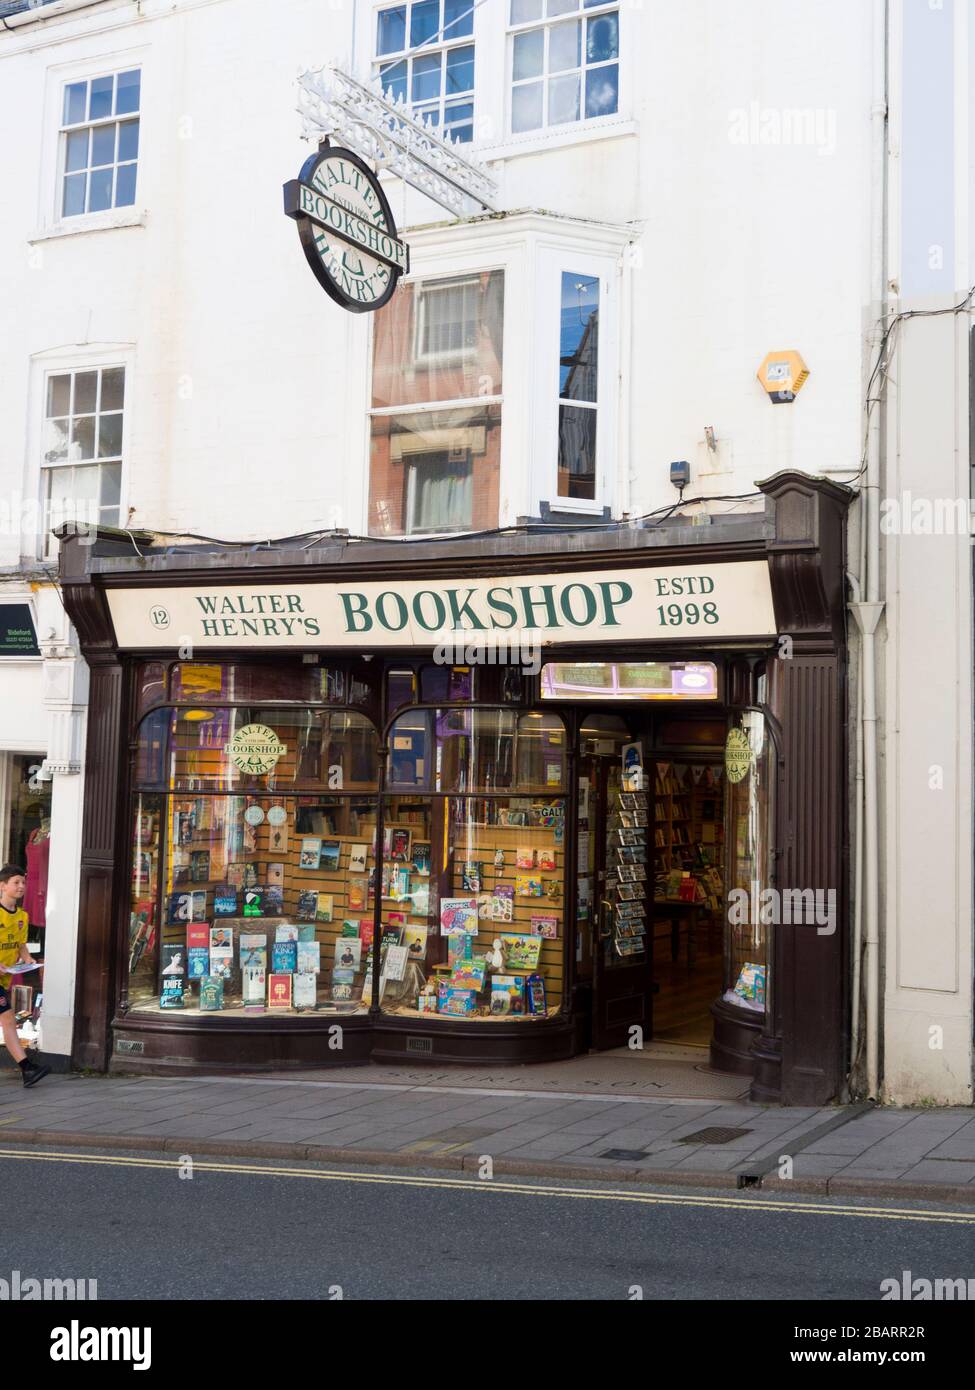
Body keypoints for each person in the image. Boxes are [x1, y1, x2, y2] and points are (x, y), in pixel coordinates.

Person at [0, 865, 50, 1086]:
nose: (21, 886)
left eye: (23, 882)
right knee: (8, 1019)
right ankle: (27, 1069)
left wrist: (28, 959)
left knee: (8, 1021)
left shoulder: (22, 916)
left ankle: (27, 1069)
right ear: (3, 886)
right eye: (16, 882)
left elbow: (21, 945)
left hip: (4, 977)